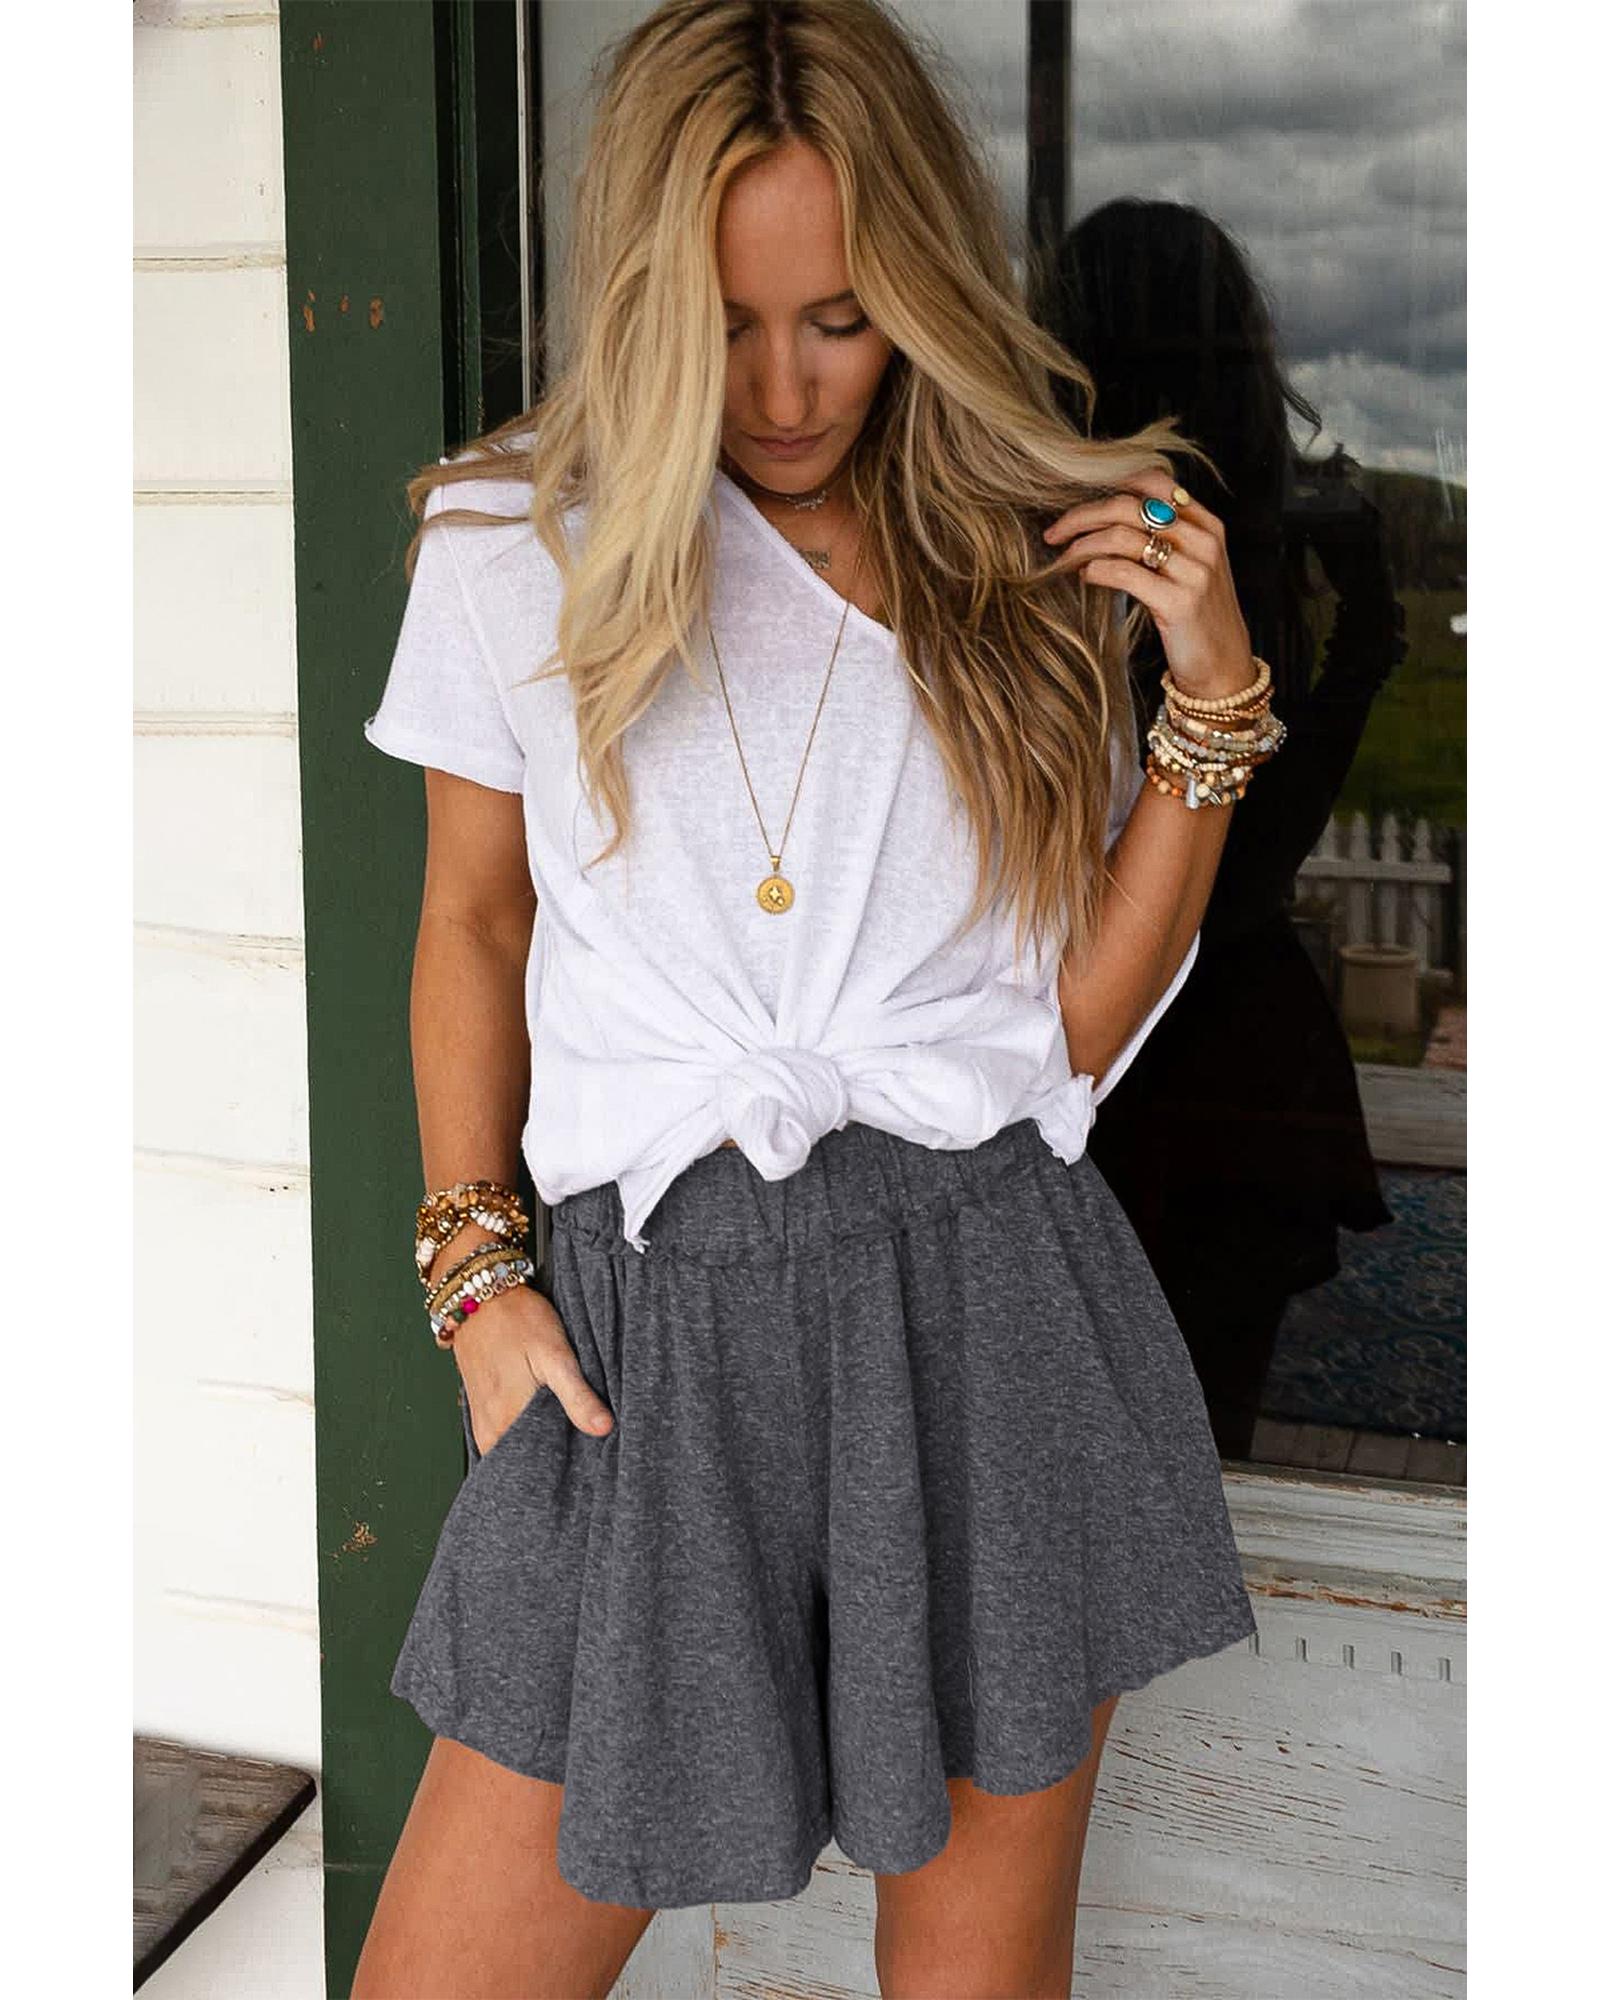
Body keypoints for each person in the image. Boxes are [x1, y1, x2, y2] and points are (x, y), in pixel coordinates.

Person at [352, 5, 1263, 1995]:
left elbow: (1067, 1038)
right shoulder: (510, 543)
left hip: (987, 1314)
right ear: (645, 299)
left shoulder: (1017, 558)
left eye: (842, 319)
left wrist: (1209, 704)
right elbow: (472, 923)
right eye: (730, 322)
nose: (782, 387)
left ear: (918, 289)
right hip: (644, 1332)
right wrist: (474, 1276)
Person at [1052, 200, 1403, 1460]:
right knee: (1190, 1454)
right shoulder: (1214, 553)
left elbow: (1245, 860)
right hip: (1205, 1056)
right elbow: (1256, 861)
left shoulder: (1124, 557)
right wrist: (1360, 637)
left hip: (1144, 1063)